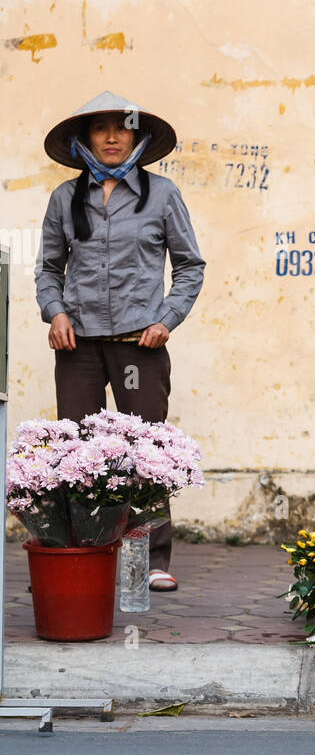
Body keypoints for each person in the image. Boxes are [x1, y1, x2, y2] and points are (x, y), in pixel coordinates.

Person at [35, 90, 205, 592]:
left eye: (122, 127)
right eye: (100, 128)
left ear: (138, 136)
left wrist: (167, 318)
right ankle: (82, 553)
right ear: (84, 139)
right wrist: (56, 312)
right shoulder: (66, 198)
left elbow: (190, 267)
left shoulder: (162, 194)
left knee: (144, 451)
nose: (112, 137)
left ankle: (150, 560)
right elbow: (48, 267)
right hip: (79, 347)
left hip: (139, 347)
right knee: (79, 450)